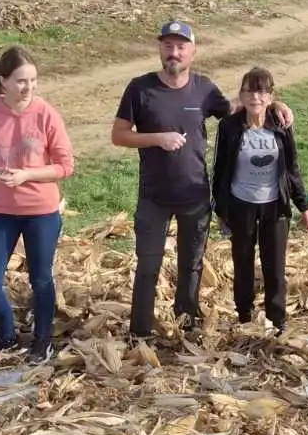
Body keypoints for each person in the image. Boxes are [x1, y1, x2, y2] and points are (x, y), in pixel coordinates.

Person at [112, 21, 291, 340]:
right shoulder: (140, 88)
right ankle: (139, 334)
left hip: (195, 195)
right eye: (168, 46)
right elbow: (119, 135)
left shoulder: (204, 88)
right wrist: (158, 139)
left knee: (190, 267)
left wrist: (271, 103)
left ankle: (185, 330)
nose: (174, 52)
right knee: (148, 267)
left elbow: (238, 109)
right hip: (153, 196)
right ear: (160, 49)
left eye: (181, 47)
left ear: (192, 52)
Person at [0, 46, 75, 362]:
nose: (28, 88)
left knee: (40, 279)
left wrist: (27, 175)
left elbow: (65, 165)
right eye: (20, 81)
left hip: (41, 211)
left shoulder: (46, 114)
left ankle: (43, 341)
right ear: (3, 81)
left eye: (33, 80)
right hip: (2, 212)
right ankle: (7, 338)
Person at [212, 66, 308, 333]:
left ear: (270, 97)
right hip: (240, 204)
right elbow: (219, 168)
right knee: (242, 261)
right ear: (241, 95)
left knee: (274, 265)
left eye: (261, 91)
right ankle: (244, 315)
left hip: (274, 205)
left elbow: (292, 167)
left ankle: (277, 320)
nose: (254, 96)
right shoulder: (230, 126)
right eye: (248, 90)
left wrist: (302, 205)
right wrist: (219, 208)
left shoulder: (280, 124)